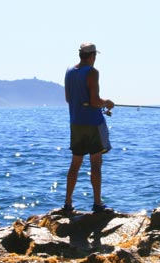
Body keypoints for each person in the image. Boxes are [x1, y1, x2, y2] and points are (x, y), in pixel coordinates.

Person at [63, 42, 115, 213]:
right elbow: (95, 101)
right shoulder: (92, 72)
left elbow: (69, 99)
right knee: (96, 164)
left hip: (75, 123)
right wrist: (107, 103)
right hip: (93, 123)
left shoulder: (69, 71)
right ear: (92, 56)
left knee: (75, 163)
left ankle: (68, 204)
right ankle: (97, 204)